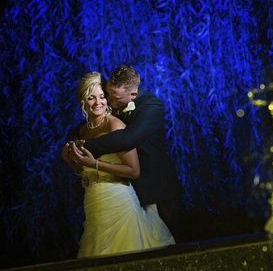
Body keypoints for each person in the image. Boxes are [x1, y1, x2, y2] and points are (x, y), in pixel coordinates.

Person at [67, 65, 185, 243]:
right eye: (107, 96)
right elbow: (90, 127)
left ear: (133, 95)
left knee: (162, 247)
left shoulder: (151, 106)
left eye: (113, 99)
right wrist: (70, 142)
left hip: (157, 190)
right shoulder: (112, 106)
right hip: (124, 191)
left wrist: (84, 148)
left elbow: (126, 140)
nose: (109, 103)